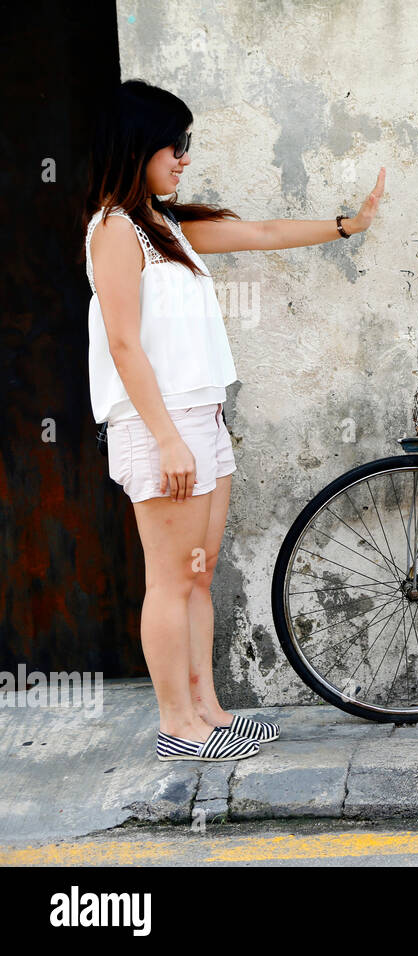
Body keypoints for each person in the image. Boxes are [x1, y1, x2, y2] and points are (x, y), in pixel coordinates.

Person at [84, 80, 385, 761]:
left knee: (200, 569)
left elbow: (262, 233)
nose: (184, 157)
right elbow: (123, 344)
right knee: (169, 578)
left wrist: (348, 225)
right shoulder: (111, 230)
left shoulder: (163, 227)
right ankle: (177, 728)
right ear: (138, 145)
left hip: (202, 417)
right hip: (159, 424)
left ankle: (209, 712)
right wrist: (165, 437)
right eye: (175, 143)